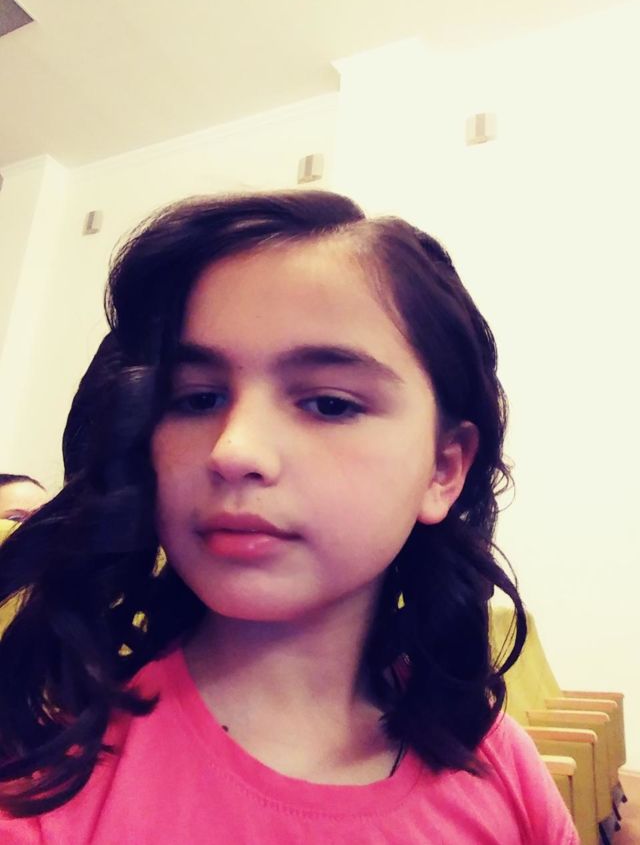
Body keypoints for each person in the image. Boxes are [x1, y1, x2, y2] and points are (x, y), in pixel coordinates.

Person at [0, 190, 578, 843]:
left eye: (330, 403)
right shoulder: (41, 797)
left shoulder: (502, 767)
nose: (233, 450)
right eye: (197, 399)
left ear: (443, 469)